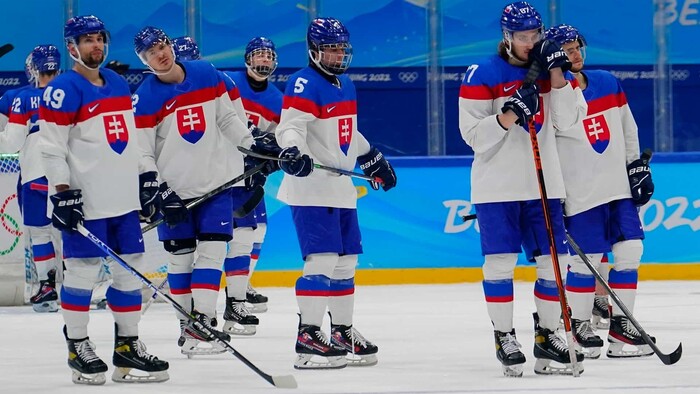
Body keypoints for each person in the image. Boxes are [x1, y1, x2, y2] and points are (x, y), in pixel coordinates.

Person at [458, 1, 588, 376]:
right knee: (499, 263)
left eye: (535, 35)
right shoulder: (481, 73)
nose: (530, 42)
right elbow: (473, 138)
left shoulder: (551, 71)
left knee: (555, 264)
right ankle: (504, 336)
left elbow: (567, 123)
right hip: (496, 188)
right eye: (522, 36)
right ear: (507, 37)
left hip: (545, 185)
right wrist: (509, 114)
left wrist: (559, 75)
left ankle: (547, 336)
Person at [38, 15, 169, 384]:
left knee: (132, 273)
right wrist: (62, 193)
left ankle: (127, 346)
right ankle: (77, 344)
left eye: (99, 38)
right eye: (87, 40)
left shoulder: (115, 82)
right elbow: (51, 149)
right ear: (71, 48)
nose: (96, 45)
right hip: (86, 203)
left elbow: (129, 140)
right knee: (82, 273)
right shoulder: (62, 90)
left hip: (123, 202)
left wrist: (144, 179)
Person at [132, 27, 276, 354]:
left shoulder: (206, 73)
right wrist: (155, 186)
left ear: (170, 45)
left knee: (213, 251)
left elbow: (228, 119)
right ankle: (187, 327)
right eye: (150, 52)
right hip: (175, 192)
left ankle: (204, 322)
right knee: (181, 261)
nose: (159, 53)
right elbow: (140, 150)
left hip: (215, 185)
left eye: (161, 45)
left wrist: (252, 148)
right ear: (143, 60)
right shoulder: (145, 97)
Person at [275, 17, 396, 370]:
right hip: (312, 186)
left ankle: (341, 331)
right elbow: (291, 127)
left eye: (341, 48)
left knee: (346, 262)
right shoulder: (303, 82)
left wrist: (371, 155)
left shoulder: (345, 84)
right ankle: (308, 336)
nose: (337, 54)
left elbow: (346, 132)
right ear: (314, 50)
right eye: (330, 48)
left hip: (340, 186)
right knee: (322, 260)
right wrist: (293, 151)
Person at [545, 24, 655, 358]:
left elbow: (628, 127)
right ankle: (579, 327)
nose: (573, 53)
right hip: (580, 194)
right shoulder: (548, 96)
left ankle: (623, 329)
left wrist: (636, 166)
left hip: (617, 188)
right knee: (585, 262)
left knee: (630, 251)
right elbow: (543, 148)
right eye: (565, 49)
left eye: (576, 46)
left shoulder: (607, 81)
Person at [171, 35, 261, 335]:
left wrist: (252, 157)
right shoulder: (159, 91)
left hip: (224, 176)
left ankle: (229, 305)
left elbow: (237, 123)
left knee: (235, 240)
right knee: (186, 256)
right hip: (183, 184)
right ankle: (191, 323)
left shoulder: (220, 82)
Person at [224, 36, 284, 314]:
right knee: (232, 235)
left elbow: (275, 138)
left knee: (257, 229)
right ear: (248, 59)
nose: (265, 60)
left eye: (269, 56)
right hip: (222, 167)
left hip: (249, 172)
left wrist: (272, 157)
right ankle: (231, 293)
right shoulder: (228, 83)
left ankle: (241, 284)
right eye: (259, 55)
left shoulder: (277, 99)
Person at [0, 45, 62, 313]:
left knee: (40, 234)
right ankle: (80, 285)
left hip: (36, 176)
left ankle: (47, 287)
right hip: (71, 177)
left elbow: (10, 142)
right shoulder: (72, 94)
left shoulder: (20, 97)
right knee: (70, 232)